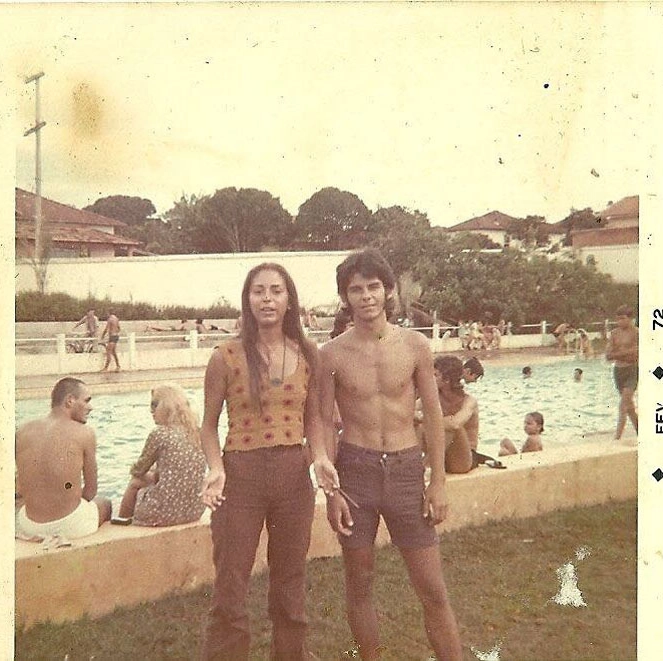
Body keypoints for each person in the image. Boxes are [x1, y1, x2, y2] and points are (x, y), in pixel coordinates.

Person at [320, 249, 462, 661]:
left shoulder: (415, 345)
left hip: (404, 469)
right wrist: (331, 492)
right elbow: (326, 423)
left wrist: (437, 481)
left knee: (432, 588)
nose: (366, 296)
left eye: (373, 287)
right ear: (345, 297)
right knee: (359, 583)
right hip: (355, 472)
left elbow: (433, 414)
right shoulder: (331, 354)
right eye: (355, 289)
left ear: (388, 291)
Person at [199, 262, 339, 660]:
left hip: (294, 477)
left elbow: (314, 417)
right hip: (240, 476)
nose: (267, 298)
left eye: (276, 290)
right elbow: (208, 426)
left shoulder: (309, 354)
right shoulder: (224, 356)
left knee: (290, 578)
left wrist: (322, 457)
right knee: (231, 580)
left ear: (289, 299)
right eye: (258, 291)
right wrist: (216, 468)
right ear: (247, 300)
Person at [15, 377, 112, 541]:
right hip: (71, 525)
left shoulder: (22, 431)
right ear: (69, 401)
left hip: (29, 525)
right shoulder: (85, 433)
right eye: (86, 400)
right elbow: (90, 491)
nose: (91, 407)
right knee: (105, 503)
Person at [117, 384, 207, 526]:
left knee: (136, 481)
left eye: (154, 405)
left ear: (166, 406)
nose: (151, 411)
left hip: (162, 513)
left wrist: (139, 470)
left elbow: (139, 469)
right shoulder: (198, 432)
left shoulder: (160, 433)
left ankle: (121, 521)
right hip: (194, 510)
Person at [433, 355, 479, 474]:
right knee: (417, 423)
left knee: (452, 425)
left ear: (447, 380)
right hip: (443, 457)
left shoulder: (469, 401)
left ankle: (426, 463)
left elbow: (456, 424)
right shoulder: (434, 398)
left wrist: (426, 419)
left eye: (435, 375)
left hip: (464, 459)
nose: (431, 379)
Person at [605, 305, 638, 440]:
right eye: (618, 319)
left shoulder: (637, 333)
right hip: (618, 371)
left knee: (623, 404)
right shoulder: (614, 333)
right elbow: (608, 355)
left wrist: (617, 354)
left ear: (631, 319)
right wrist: (625, 353)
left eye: (623, 319)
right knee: (629, 407)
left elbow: (636, 354)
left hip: (632, 370)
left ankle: (617, 437)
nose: (620, 322)